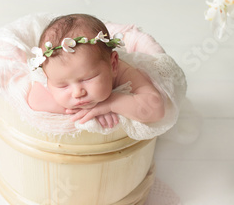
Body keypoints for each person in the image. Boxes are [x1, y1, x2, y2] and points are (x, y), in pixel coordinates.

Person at [27, 13, 165, 129]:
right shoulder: (54, 71)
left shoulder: (123, 71)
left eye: (87, 79)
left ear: (113, 64)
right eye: (63, 86)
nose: (77, 93)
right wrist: (83, 110)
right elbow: (35, 100)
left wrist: (112, 103)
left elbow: (156, 108)